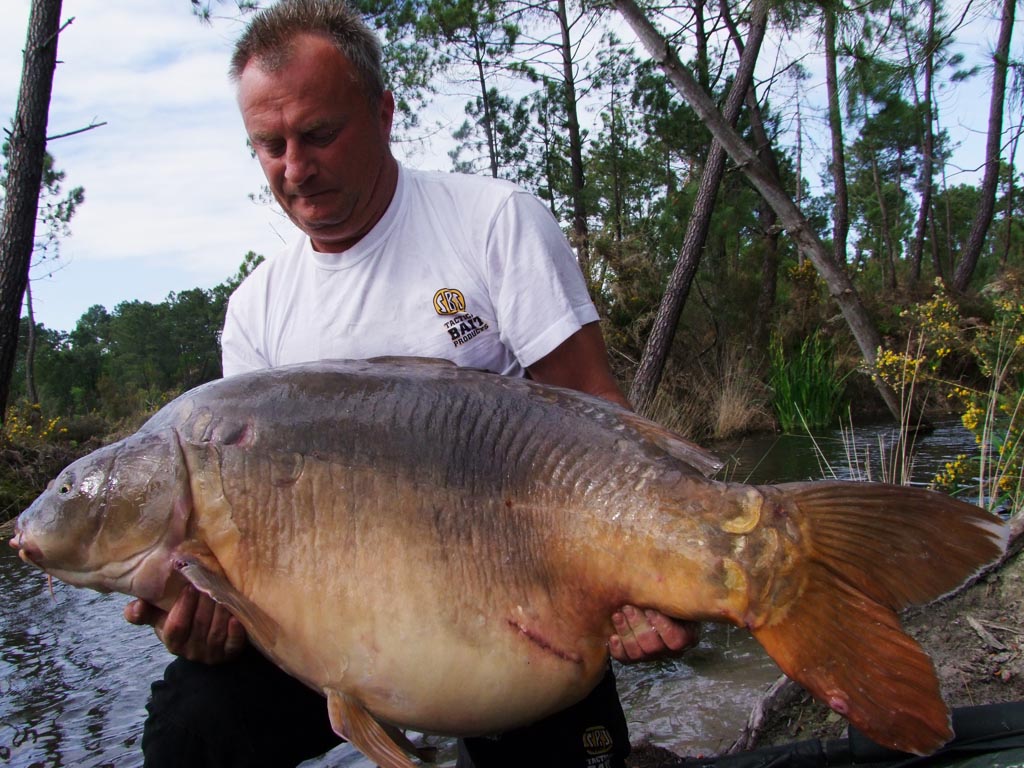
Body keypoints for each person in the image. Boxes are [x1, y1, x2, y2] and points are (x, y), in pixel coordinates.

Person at [124, 1, 699, 766]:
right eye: (270, 145)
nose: (295, 168)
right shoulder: (257, 312)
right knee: (187, 733)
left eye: (320, 134)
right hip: (332, 633)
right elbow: (246, 534)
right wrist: (214, 618)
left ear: (385, 111)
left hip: (521, 607)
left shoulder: (493, 222)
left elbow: (596, 412)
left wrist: (648, 573)